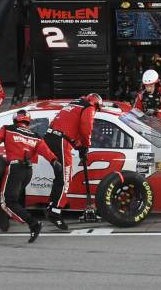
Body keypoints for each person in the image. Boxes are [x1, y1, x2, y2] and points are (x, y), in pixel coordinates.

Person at [0, 110, 62, 243]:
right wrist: (54, 161)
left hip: (14, 169)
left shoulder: (8, 129)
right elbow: (46, 152)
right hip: (28, 171)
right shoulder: (36, 135)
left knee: (6, 201)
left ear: (15, 120)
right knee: (10, 201)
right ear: (28, 121)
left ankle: (34, 224)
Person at [45, 93, 102, 230]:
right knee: (65, 177)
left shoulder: (74, 103)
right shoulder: (89, 107)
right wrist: (86, 146)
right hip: (60, 141)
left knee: (60, 176)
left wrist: (78, 146)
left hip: (52, 137)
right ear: (96, 104)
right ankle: (55, 211)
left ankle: (52, 205)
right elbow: (86, 128)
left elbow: (66, 127)